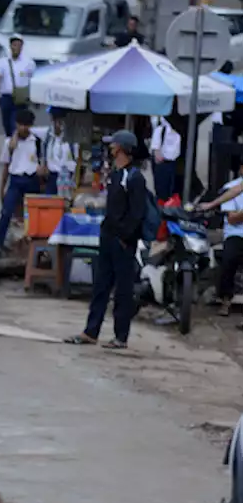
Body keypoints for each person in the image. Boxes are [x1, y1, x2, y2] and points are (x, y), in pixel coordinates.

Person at [66, 131, 145, 349]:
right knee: (100, 286)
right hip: (108, 237)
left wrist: (124, 237)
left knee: (122, 290)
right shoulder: (115, 175)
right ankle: (91, 331)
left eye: (114, 145)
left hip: (123, 242)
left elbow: (137, 213)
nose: (110, 149)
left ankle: (121, 336)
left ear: (121, 148)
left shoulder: (135, 178)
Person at [0, 108, 45, 260]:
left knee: (34, 215)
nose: (24, 128)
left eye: (27, 125)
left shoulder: (37, 142)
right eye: (21, 125)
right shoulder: (9, 143)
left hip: (32, 180)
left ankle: (36, 248)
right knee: (6, 213)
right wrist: (2, 188)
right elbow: (6, 166)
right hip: (15, 180)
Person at [201, 159, 244, 315]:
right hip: (237, 233)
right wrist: (212, 204)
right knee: (229, 258)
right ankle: (226, 298)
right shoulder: (233, 186)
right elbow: (232, 217)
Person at [0, 34, 35, 138]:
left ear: (21, 47)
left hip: (21, 97)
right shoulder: (3, 62)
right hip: (6, 97)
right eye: (14, 45)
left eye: (18, 45)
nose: (16, 47)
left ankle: (15, 141)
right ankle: (9, 139)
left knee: (16, 121)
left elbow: (33, 78)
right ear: (10, 46)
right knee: (6, 122)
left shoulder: (28, 63)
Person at [42, 107, 79, 199]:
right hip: (52, 177)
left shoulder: (72, 138)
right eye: (55, 121)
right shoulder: (48, 136)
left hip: (67, 177)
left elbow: (77, 159)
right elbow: (44, 155)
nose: (58, 124)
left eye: (61, 121)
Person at [149, 114, 181, 200]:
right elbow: (158, 127)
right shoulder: (160, 118)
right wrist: (156, 150)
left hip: (171, 157)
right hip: (162, 157)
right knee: (162, 191)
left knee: (170, 190)